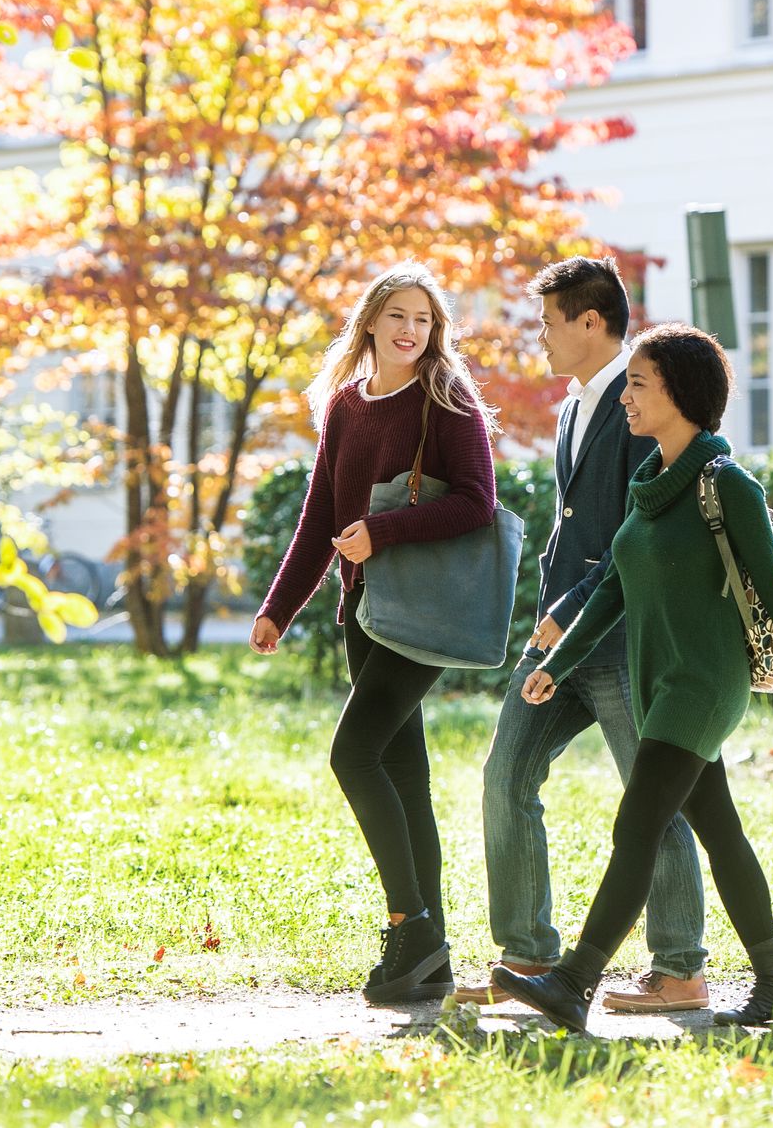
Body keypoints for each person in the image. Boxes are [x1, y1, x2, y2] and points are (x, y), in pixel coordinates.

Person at [493, 322, 773, 1034]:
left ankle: (573, 981)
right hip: (661, 685)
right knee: (719, 831)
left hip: (702, 689)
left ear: (680, 393)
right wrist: (555, 668)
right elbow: (614, 590)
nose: (625, 395)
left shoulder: (727, 485)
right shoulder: (649, 482)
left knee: (639, 825)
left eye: (638, 383)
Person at [453, 256, 710, 1013]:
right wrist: (549, 611)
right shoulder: (571, 408)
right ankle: (528, 957)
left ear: (590, 323)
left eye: (548, 322)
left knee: (650, 803)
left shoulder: (645, 399)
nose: (541, 336)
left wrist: (576, 603)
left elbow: (641, 528)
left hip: (625, 642)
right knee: (506, 776)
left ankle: (679, 970)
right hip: (558, 642)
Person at [251, 260, 500, 1005]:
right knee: (406, 780)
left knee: (353, 755)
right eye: (399, 316)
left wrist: (384, 531)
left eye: (424, 320)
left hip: (421, 615)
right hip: (366, 612)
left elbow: (478, 504)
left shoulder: (446, 400)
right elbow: (319, 522)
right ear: (369, 322)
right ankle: (430, 960)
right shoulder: (347, 409)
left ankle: (410, 925)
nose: (411, 330)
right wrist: (277, 609)